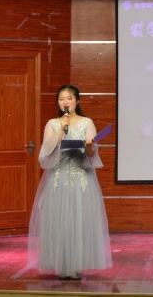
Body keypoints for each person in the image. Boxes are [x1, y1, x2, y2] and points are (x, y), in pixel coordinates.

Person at [26, 85, 111, 279]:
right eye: (62, 99)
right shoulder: (52, 123)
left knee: (79, 221)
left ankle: (78, 265)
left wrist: (89, 146)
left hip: (81, 177)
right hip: (58, 178)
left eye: (69, 98)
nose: (65, 102)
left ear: (77, 101)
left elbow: (92, 153)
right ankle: (61, 265)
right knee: (59, 222)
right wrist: (61, 132)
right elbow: (46, 150)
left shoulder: (87, 122)